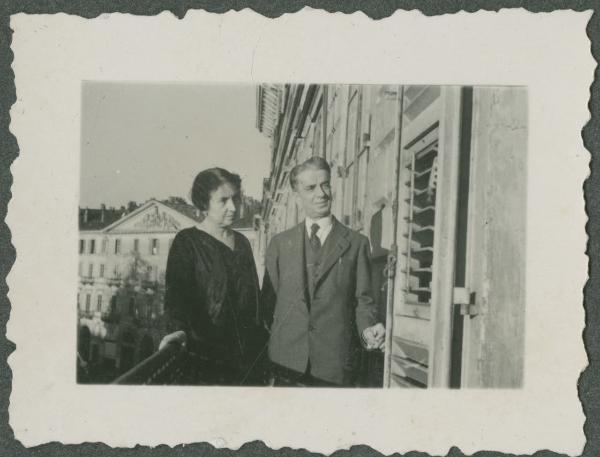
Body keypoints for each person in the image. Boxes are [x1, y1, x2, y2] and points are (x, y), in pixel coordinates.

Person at [261, 156, 386, 387]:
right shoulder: (280, 244)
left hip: (336, 365)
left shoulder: (356, 243)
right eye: (310, 188)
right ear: (297, 197)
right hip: (286, 365)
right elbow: (268, 305)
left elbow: (364, 301)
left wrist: (368, 330)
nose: (321, 193)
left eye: (325, 184)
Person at [159, 168, 267, 386]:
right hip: (206, 360)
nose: (233, 207)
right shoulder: (187, 242)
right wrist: (176, 331)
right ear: (204, 203)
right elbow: (176, 297)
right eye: (223, 200)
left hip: (246, 359)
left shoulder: (243, 243)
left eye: (236, 198)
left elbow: (253, 300)